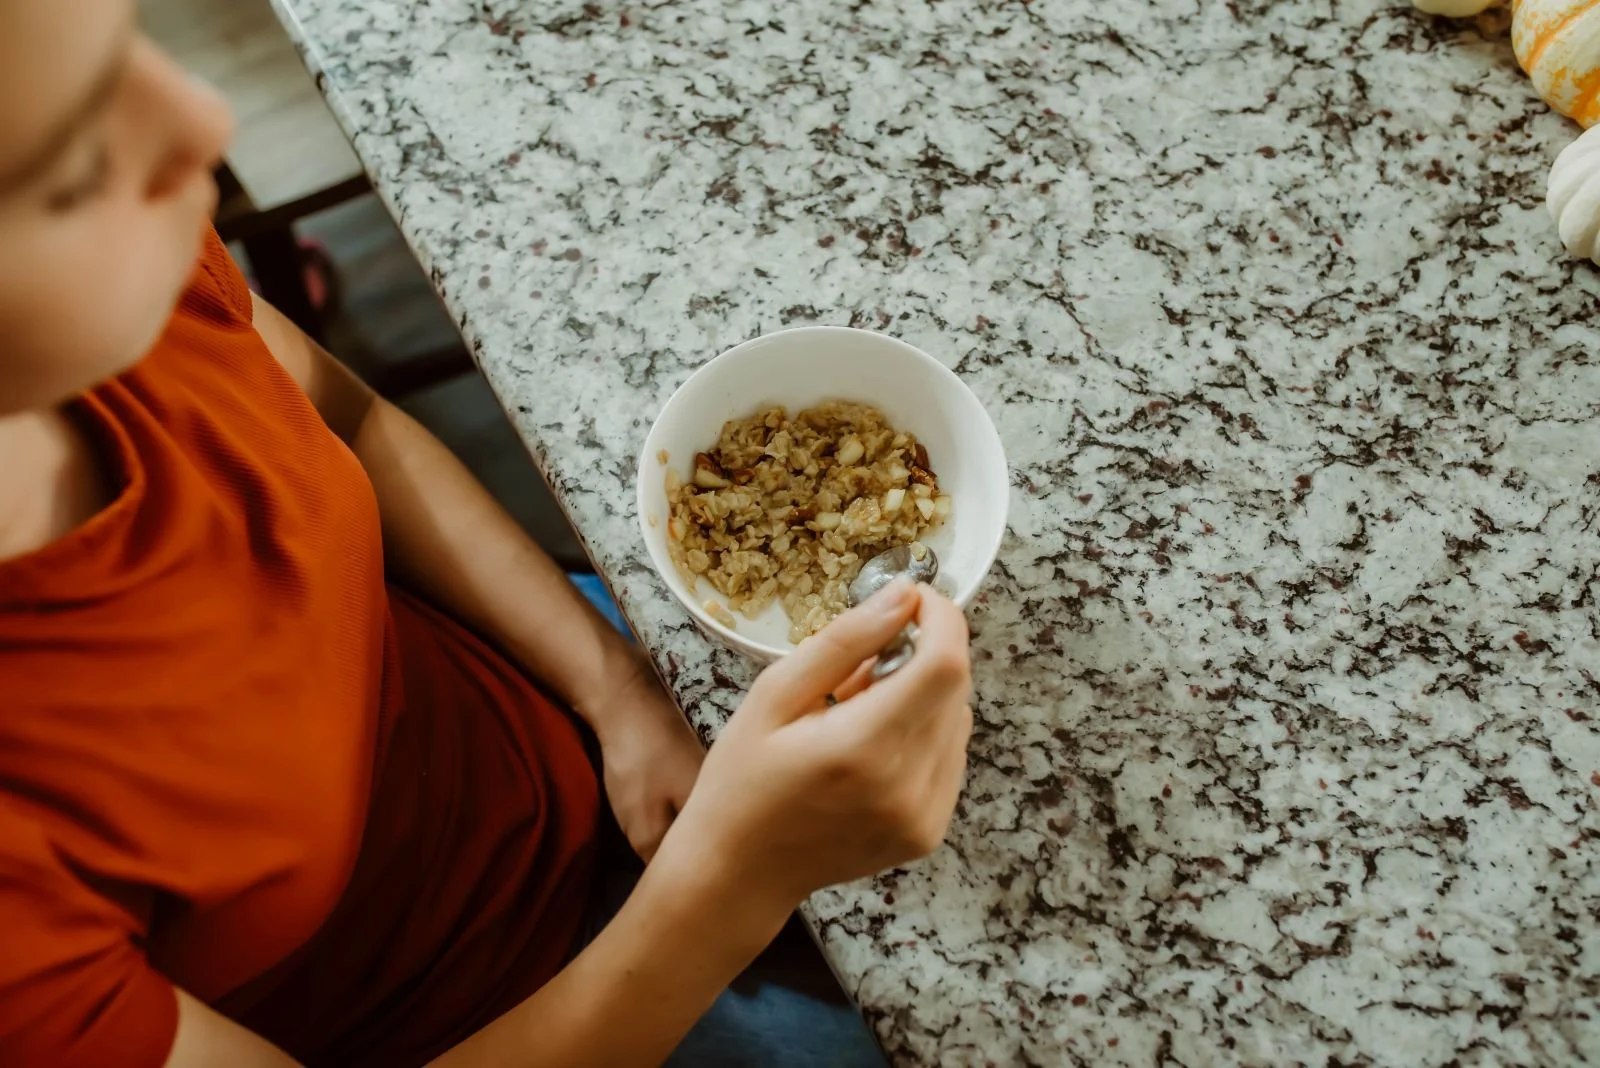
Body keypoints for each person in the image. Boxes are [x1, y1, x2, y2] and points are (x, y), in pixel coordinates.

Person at [0, 3, 975, 1067]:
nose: (203, 120)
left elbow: (353, 421)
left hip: (560, 714)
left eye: (133, 49)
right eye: (65, 161)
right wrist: (730, 882)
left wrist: (615, 690)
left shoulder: (132, 284)